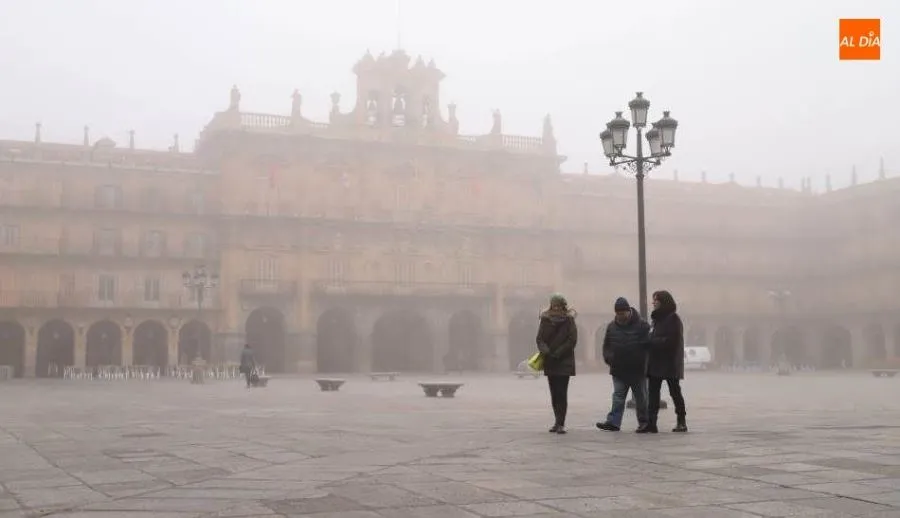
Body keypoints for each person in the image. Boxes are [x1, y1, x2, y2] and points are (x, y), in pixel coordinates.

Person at [596, 297, 652, 433]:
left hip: (637, 369)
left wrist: (642, 360)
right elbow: (606, 346)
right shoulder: (611, 326)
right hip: (618, 369)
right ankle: (613, 422)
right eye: (618, 313)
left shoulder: (642, 325)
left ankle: (644, 422)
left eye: (623, 313)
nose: (621, 316)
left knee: (641, 398)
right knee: (618, 397)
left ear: (629, 311)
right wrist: (609, 359)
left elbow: (648, 345)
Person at [536, 293, 578, 434]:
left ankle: (561, 423)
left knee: (561, 392)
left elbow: (572, 340)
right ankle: (556, 421)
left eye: (558, 305)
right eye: (554, 305)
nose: (556, 308)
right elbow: (539, 339)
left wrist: (558, 352)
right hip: (550, 361)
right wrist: (546, 351)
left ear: (563, 306)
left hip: (564, 361)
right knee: (554, 393)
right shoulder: (545, 319)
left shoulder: (569, 320)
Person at [647, 290, 688, 433]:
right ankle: (651, 423)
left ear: (663, 301)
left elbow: (672, 341)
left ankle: (681, 421)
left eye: (656, 300)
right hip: (655, 361)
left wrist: (652, 341)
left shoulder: (673, 318)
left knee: (675, 392)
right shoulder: (656, 319)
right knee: (653, 393)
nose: (653, 302)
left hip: (669, 362)